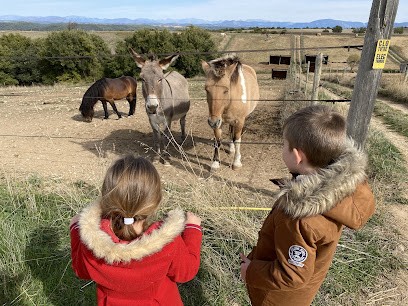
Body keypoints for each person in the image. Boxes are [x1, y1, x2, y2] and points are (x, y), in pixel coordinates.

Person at [240, 105, 375, 306]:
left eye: (284, 144)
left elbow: (291, 275)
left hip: (276, 298)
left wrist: (250, 271)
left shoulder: (298, 217)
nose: (282, 148)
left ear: (297, 156)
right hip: (302, 292)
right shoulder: (341, 190)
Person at [70, 155, 202, 306]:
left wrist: (76, 229)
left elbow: (81, 270)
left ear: (107, 198)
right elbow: (186, 272)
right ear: (155, 202)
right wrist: (193, 229)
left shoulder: (92, 242)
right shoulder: (166, 242)